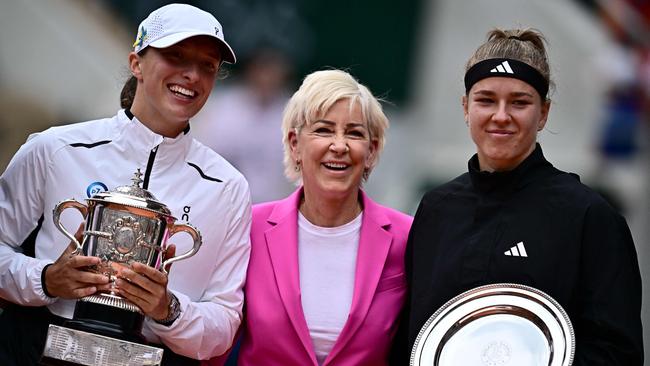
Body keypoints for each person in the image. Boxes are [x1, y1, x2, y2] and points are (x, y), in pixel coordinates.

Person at [0, 4, 251, 365]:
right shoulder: (54, 148)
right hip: (33, 349)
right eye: (176, 56)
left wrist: (168, 309)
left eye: (207, 66)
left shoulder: (228, 187)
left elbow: (224, 324)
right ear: (136, 63)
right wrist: (47, 279)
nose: (192, 75)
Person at [391, 28, 644, 365]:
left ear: (544, 113)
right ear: (466, 107)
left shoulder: (589, 215)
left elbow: (619, 352)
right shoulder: (437, 207)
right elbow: (412, 340)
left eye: (519, 102)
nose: (501, 115)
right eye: (486, 100)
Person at [230, 69, 412, 365]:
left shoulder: (407, 237)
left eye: (354, 133)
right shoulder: (249, 227)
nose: (339, 146)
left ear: (371, 151)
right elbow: (214, 338)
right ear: (294, 144)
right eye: (324, 130)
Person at [193, 46, 294, 203]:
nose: (268, 77)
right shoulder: (224, 106)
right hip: (225, 202)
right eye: (263, 69)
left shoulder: (294, 113)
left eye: (274, 70)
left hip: (275, 207)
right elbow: (205, 158)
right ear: (251, 70)